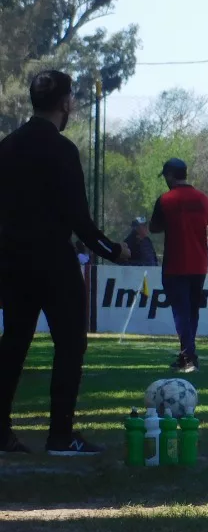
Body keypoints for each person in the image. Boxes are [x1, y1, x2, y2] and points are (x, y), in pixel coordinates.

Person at [0, 70, 129, 456]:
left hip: (11, 261)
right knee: (70, 345)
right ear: (65, 103)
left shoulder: (7, 146)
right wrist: (113, 250)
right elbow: (79, 219)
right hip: (53, 262)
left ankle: (2, 431)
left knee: (13, 344)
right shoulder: (62, 150)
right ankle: (60, 435)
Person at [150, 158, 208, 373]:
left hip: (176, 263)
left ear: (169, 175)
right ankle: (188, 353)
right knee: (192, 311)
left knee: (180, 312)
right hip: (199, 262)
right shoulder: (203, 199)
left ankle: (188, 356)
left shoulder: (166, 200)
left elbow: (154, 227)